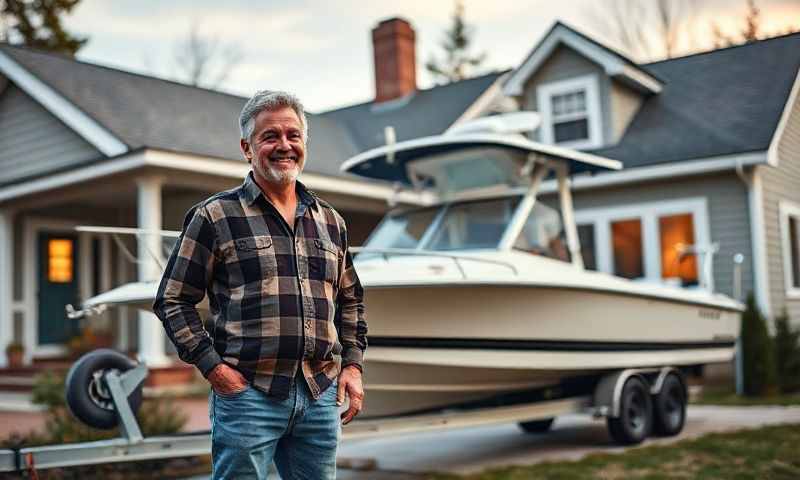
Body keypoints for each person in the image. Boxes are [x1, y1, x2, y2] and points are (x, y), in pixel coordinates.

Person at [153, 90, 367, 479]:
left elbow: (349, 299)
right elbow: (173, 300)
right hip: (247, 395)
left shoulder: (331, 221)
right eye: (270, 136)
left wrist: (352, 367)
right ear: (247, 148)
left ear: (304, 144)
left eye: (293, 135)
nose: (283, 145)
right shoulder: (215, 216)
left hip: (319, 395)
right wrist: (214, 369)